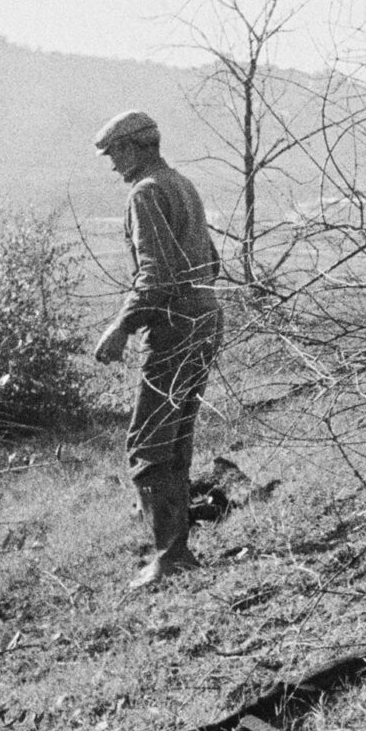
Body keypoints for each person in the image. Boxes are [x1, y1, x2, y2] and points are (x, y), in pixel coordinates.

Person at [90, 110, 222, 586]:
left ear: (135, 147)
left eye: (114, 153)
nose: (112, 164)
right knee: (177, 440)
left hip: (174, 328)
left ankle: (170, 557)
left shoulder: (145, 192)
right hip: (205, 319)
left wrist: (120, 328)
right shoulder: (181, 184)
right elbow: (212, 261)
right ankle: (176, 550)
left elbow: (155, 276)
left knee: (147, 445)